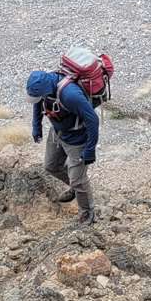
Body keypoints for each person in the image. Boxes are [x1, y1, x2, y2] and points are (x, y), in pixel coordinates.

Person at [27, 68, 101, 222]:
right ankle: (76, 187)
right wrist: (36, 126)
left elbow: (93, 120)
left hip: (77, 139)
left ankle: (88, 214)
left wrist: (90, 149)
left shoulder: (70, 95)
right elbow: (38, 102)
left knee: (78, 180)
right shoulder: (45, 88)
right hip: (57, 133)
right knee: (51, 166)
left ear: (45, 89)